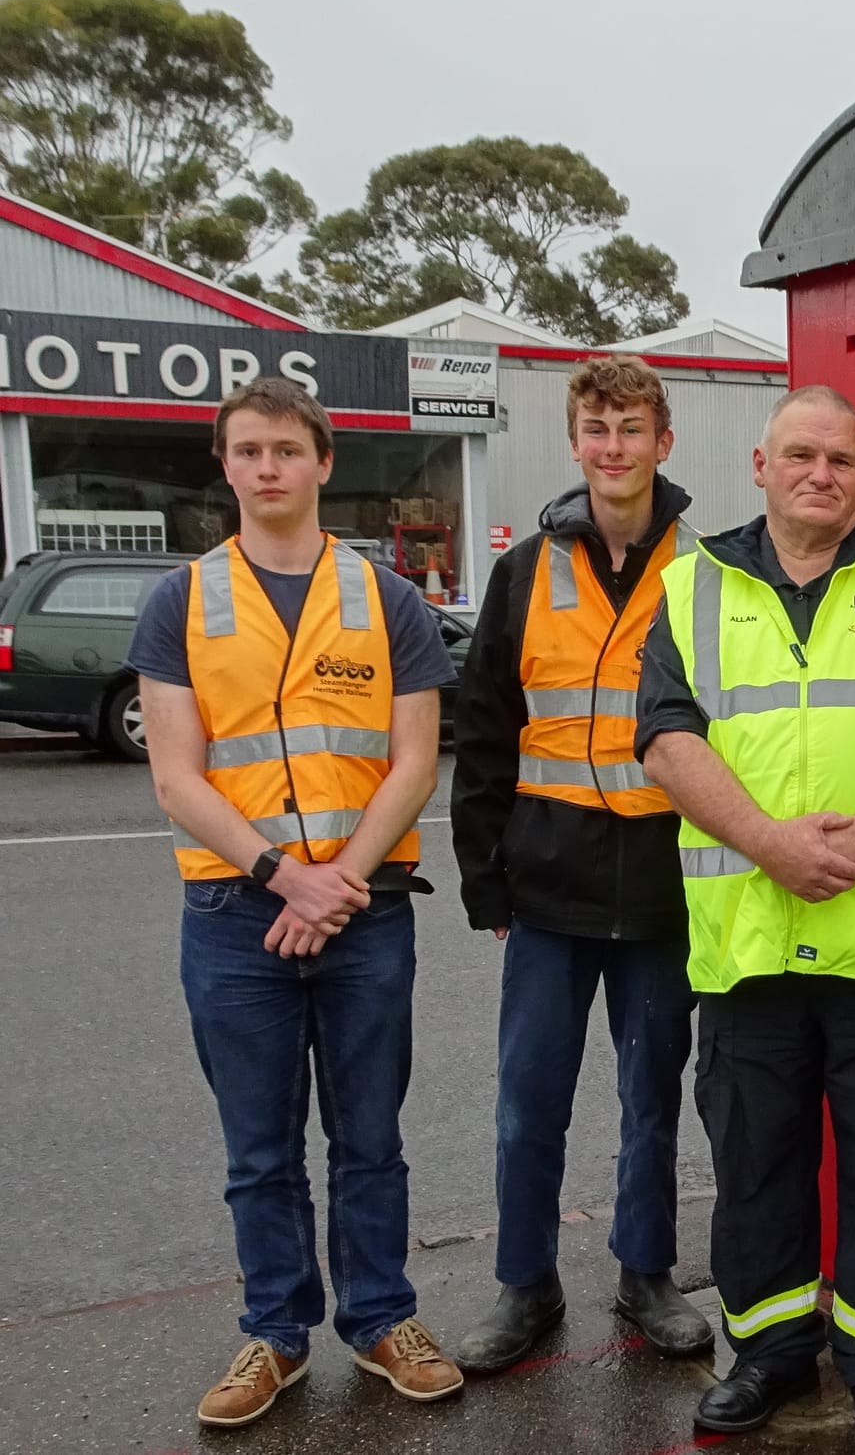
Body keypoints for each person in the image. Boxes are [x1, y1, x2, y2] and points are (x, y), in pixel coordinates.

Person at [634, 385, 855, 1455]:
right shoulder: (690, 584)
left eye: (841, 460)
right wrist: (772, 844)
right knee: (756, 1158)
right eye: (801, 455)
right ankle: (769, 1353)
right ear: (759, 463)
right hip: (749, 940)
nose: (820, 476)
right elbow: (664, 738)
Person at [130, 378, 463, 1426]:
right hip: (237, 914)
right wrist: (286, 877)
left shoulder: (386, 600)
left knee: (370, 1136)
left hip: (364, 911)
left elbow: (414, 761)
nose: (266, 467)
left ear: (323, 463)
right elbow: (177, 777)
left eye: (285, 449)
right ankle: (274, 1334)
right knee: (260, 1149)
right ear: (224, 466)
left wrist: (338, 883)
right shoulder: (181, 601)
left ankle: (379, 1320)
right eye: (246, 451)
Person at [449, 357, 711, 1370]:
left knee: (652, 1097)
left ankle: (646, 1276)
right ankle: (526, 1288)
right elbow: (484, 727)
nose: (614, 446)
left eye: (631, 428)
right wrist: (483, 874)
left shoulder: (702, 568)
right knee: (529, 1105)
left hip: (660, 886)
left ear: (662, 441)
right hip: (547, 889)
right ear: (575, 441)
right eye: (597, 427)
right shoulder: (525, 572)